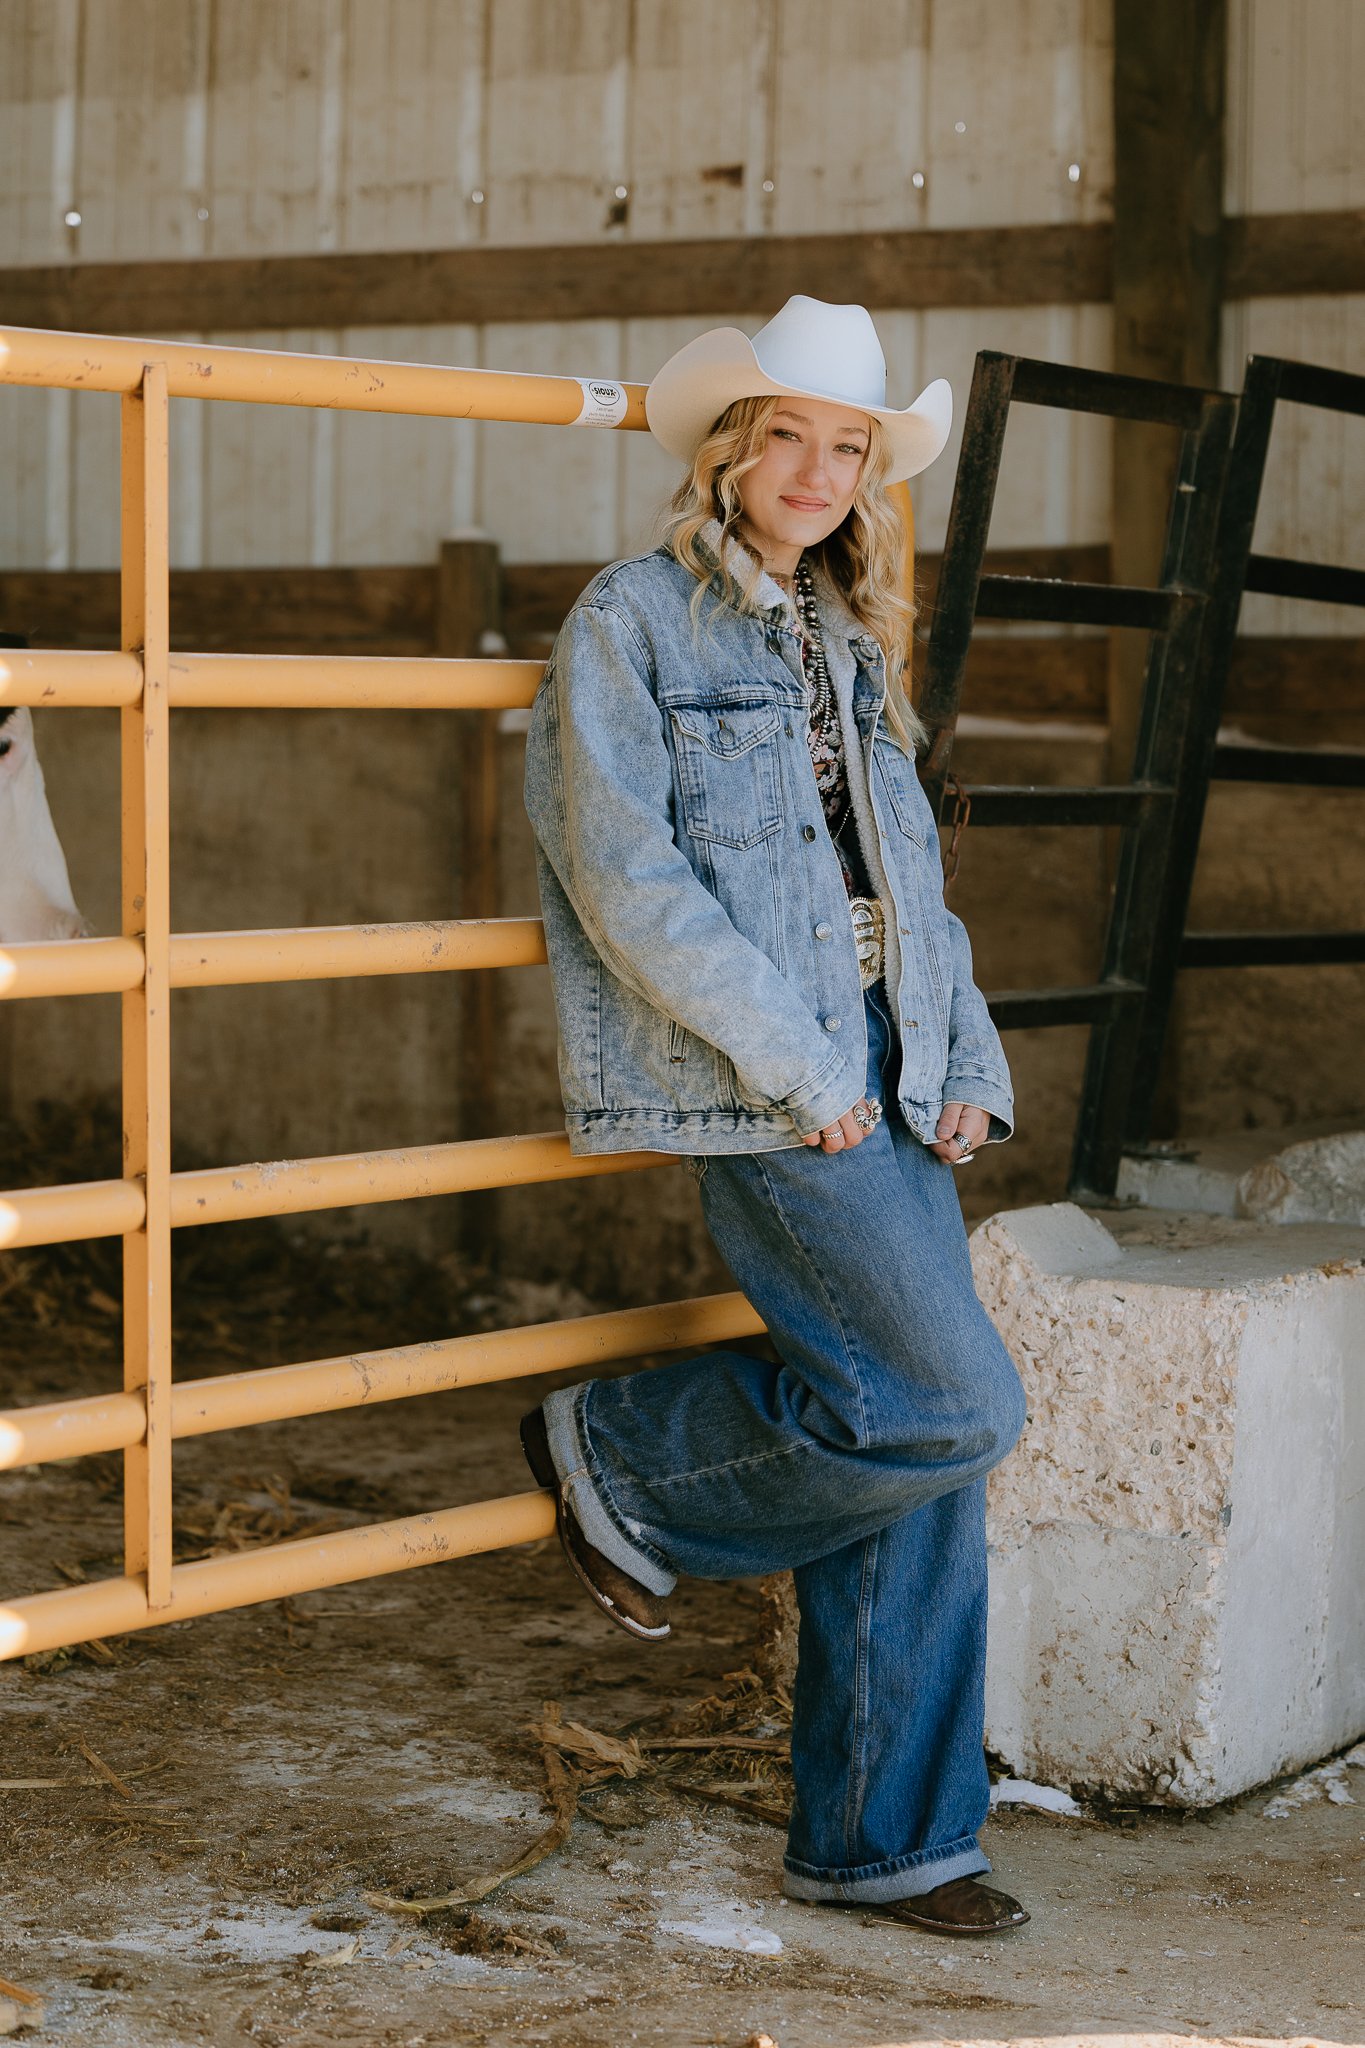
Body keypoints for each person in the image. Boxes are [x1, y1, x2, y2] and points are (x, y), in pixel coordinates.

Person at [519, 295, 1030, 1938]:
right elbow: (629, 885)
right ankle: (623, 1463)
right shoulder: (631, 623)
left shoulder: (841, 634)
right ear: (730, 449)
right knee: (947, 1406)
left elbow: (910, 886)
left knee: (917, 1455)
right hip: (770, 1088)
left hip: (884, 1069)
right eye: (788, 437)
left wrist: (960, 1058)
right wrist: (803, 1073)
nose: (816, 472)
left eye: (849, 449)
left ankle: (889, 1842)